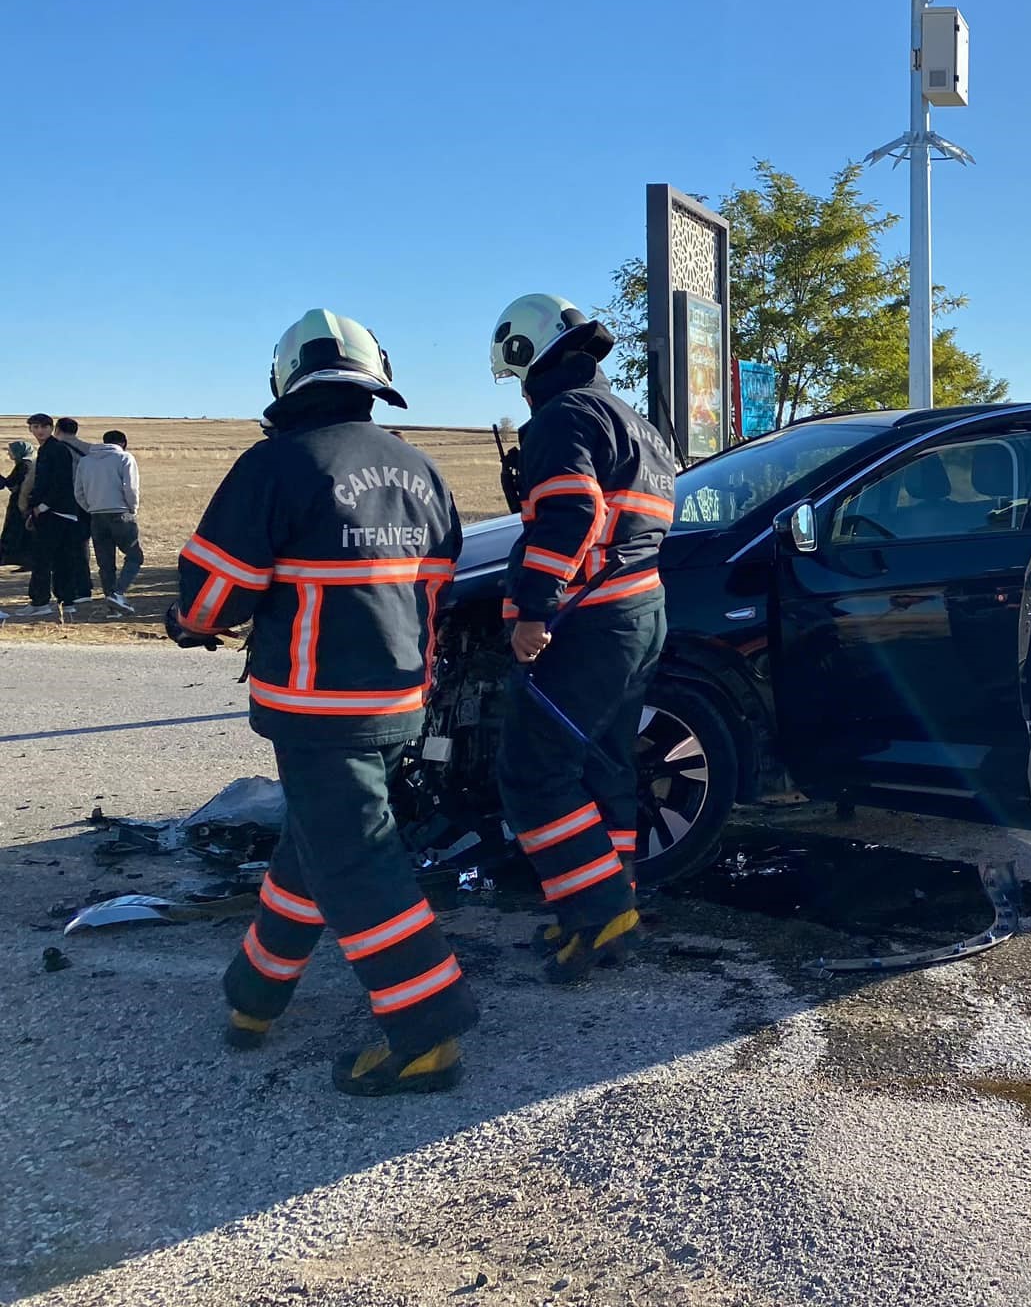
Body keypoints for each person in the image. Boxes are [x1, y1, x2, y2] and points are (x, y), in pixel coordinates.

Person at [169, 309, 476, 1096]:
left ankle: (425, 1028)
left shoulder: (276, 465)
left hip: (315, 707)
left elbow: (212, 597)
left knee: (357, 858)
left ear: (287, 376)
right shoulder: (421, 469)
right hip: (400, 699)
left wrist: (188, 623)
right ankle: (255, 995)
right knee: (315, 845)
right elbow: (440, 581)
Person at [489, 292, 676, 983]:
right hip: (639, 612)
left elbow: (572, 511)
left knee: (533, 773)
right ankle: (605, 905)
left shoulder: (565, 417)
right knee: (605, 767)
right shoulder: (637, 423)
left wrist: (534, 609)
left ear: (525, 354)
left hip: (587, 621)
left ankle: (596, 909)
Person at [21, 414, 91, 618]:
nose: (40, 430)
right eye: (35, 426)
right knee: (62, 558)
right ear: (30, 430)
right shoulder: (49, 448)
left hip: (55, 511)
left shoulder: (55, 449)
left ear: (52, 428)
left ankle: (40, 601)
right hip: (63, 512)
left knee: (43, 558)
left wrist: (41, 506)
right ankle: (66, 601)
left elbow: (60, 482)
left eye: (44, 426)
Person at [76, 429, 144, 613]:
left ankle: (112, 607)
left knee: (105, 563)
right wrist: (132, 508)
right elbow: (130, 487)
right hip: (120, 513)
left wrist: (91, 507)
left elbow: (79, 492)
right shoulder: (124, 458)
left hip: (96, 516)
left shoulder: (85, 461)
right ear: (123, 443)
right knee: (135, 556)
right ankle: (118, 593)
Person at [1, 438, 33, 569]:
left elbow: (12, 483)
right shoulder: (25, 464)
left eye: (11, 451)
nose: (9, 454)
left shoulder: (24, 465)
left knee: (16, 533)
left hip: (20, 505)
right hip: (21, 504)